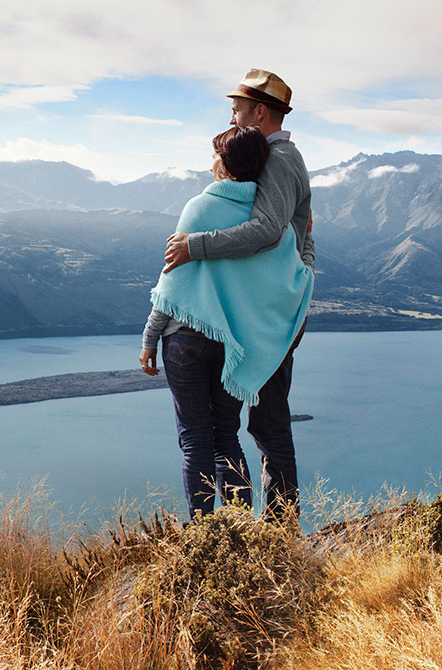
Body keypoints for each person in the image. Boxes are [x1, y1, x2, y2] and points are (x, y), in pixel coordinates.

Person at [159, 69, 316, 523]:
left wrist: (195, 246)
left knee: (267, 421)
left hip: (275, 308)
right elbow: (298, 228)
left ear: (259, 112)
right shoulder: (274, 156)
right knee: (257, 420)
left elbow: (268, 231)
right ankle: (271, 527)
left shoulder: (280, 158)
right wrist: (307, 253)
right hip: (267, 303)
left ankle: (280, 531)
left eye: (237, 109)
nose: (232, 115)